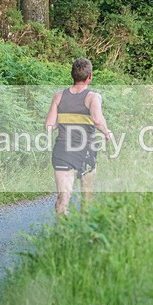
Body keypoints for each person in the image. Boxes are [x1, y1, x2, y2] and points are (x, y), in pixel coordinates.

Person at [45, 58, 112, 215]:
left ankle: (61, 235)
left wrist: (61, 121)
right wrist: (107, 132)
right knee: (87, 197)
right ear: (90, 76)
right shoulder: (93, 97)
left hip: (62, 150)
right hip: (85, 150)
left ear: (72, 75)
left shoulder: (59, 96)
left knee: (63, 198)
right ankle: (83, 235)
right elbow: (97, 119)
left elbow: (49, 126)